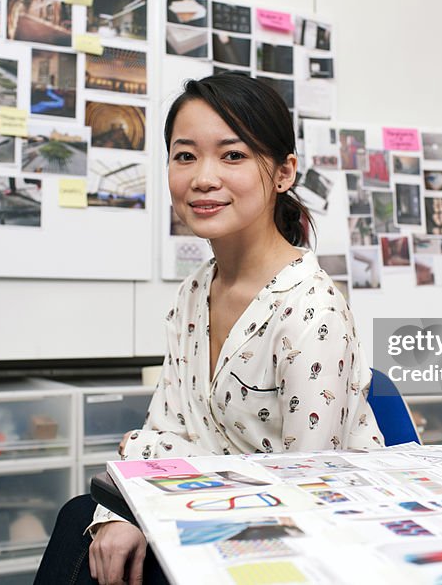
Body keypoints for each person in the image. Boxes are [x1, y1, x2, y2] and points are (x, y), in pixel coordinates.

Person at [36, 73, 383, 585]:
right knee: (82, 520)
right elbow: (167, 427)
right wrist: (125, 511)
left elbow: (308, 488)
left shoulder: (312, 309)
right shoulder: (194, 292)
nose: (203, 177)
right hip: (214, 500)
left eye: (233, 155)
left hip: (304, 528)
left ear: (284, 172)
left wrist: (163, 504)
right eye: (185, 155)